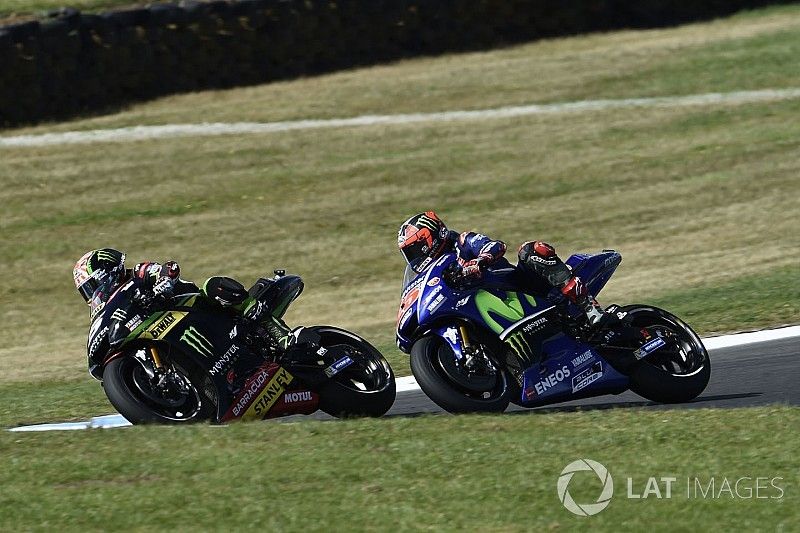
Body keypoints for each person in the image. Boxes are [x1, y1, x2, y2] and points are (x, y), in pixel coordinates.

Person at [396, 211, 605, 326]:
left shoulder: (462, 242)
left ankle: (588, 305)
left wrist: (479, 262)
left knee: (531, 250)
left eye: (415, 249)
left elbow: (496, 246)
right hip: (481, 305)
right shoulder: (431, 274)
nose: (415, 257)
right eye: (409, 253)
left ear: (431, 237)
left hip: (516, 287)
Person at [72, 248, 295, 349]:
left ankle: (275, 330)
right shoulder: (108, 310)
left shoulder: (138, 273)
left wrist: (163, 282)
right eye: (87, 290)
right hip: (164, 330)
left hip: (191, 306)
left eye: (93, 284)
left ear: (108, 272)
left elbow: (168, 268)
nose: (93, 293)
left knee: (213, 285)